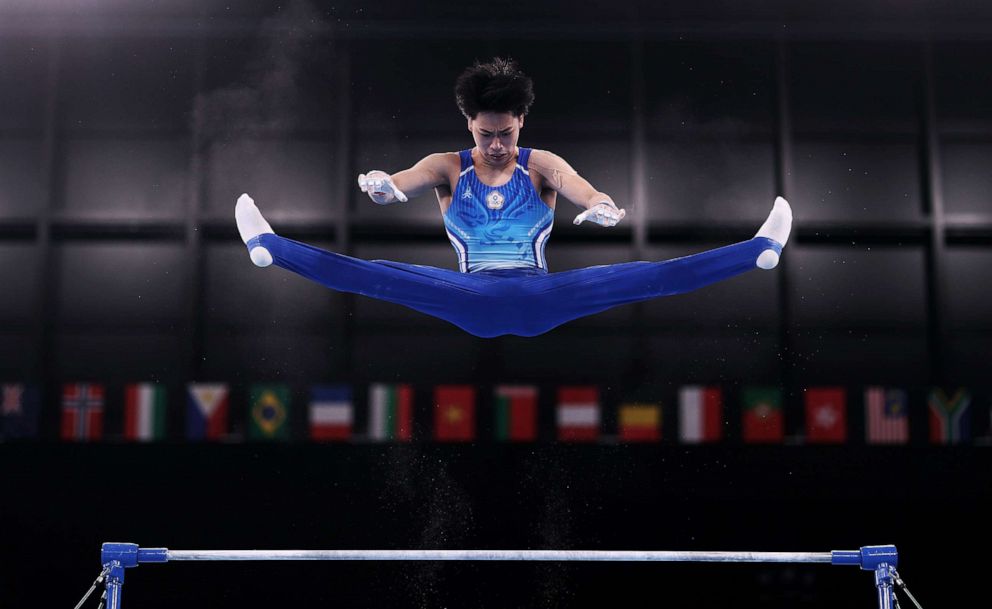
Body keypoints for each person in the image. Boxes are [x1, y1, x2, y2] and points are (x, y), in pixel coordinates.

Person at [235, 57, 792, 338]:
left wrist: (598, 204)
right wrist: (385, 186)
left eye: (507, 133)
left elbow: (581, 188)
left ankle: (758, 250)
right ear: (468, 124)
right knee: (377, 271)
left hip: (539, 296)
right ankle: (268, 245)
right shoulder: (445, 167)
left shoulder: (540, 165)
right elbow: (402, 181)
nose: (497, 146)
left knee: (642, 275)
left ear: (522, 121)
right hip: (469, 295)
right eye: (485, 134)